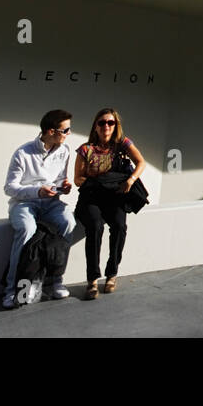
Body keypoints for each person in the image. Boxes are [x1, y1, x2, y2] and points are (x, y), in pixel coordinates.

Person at [2, 109, 77, 309]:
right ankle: (12, 290)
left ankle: (55, 281)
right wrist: (37, 192)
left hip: (51, 203)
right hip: (24, 203)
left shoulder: (64, 150)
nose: (69, 134)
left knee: (68, 223)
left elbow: (60, 178)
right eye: (66, 130)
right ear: (51, 131)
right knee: (27, 230)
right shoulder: (23, 153)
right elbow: (10, 188)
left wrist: (65, 185)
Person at [74, 108, 146, 300]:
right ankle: (92, 280)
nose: (106, 126)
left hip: (115, 196)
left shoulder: (122, 145)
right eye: (102, 123)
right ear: (95, 126)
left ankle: (112, 274)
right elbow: (77, 179)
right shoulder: (85, 149)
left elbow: (141, 162)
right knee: (95, 227)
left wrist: (130, 180)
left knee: (120, 226)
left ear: (116, 126)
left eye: (110, 123)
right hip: (92, 197)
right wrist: (97, 180)